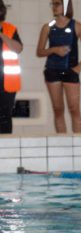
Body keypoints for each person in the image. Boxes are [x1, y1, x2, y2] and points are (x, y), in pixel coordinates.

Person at [36, 0, 81, 133]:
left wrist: (79, 68)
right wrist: (54, 49)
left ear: (66, 6)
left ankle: (79, 144)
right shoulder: (48, 27)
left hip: (71, 71)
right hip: (52, 71)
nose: (54, 7)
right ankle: (62, 143)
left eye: (57, 4)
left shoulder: (77, 26)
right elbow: (39, 52)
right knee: (58, 110)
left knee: (74, 109)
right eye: (53, 4)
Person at [0, 0, 22, 134]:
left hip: (7, 82)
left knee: (5, 117)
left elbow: (18, 48)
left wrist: (2, 35)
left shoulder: (10, 28)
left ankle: (6, 149)